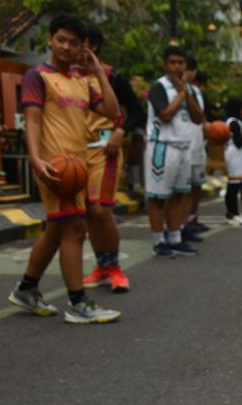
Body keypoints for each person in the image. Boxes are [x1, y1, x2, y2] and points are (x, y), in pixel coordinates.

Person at [8, 14, 121, 324]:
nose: (66, 47)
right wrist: (35, 158)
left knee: (57, 230)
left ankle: (27, 288)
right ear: (50, 39)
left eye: (73, 42)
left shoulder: (83, 81)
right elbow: (32, 120)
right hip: (54, 166)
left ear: (83, 48)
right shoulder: (38, 76)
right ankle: (78, 302)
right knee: (74, 228)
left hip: (78, 166)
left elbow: (113, 112)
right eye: (61, 40)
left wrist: (98, 72)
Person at [79, 21, 143, 294]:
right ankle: (101, 265)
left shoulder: (112, 77)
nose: (70, 47)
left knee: (101, 211)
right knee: (88, 215)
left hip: (105, 151)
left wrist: (120, 131)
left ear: (92, 46)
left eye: (77, 42)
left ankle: (114, 266)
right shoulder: (66, 76)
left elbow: (138, 112)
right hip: (75, 153)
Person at [144, 45, 204, 257]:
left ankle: (175, 237)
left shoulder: (189, 90)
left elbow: (198, 118)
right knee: (158, 197)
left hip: (184, 147)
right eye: (173, 62)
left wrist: (185, 92)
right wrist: (180, 92)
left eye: (181, 63)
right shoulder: (158, 87)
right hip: (162, 145)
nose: (177, 67)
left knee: (179, 195)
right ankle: (159, 240)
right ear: (165, 64)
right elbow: (166, 114)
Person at [181, 55, 209, 241]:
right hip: (182, 146)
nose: (187, 74)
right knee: (183, 188)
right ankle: (180, 225)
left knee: (196, 186)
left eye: (190, 70)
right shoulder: (172, 90)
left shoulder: (197, 93)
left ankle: (192, 219)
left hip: (198, 146)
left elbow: (201, 117)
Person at [224, 97, 242, 226]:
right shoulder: (233, 123)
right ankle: (232, 213)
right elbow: (238, 142)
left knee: (237, 185)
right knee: (233, 186)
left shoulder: (237, 122)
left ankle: (234, 212)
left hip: (239, 155)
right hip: (234, 154)